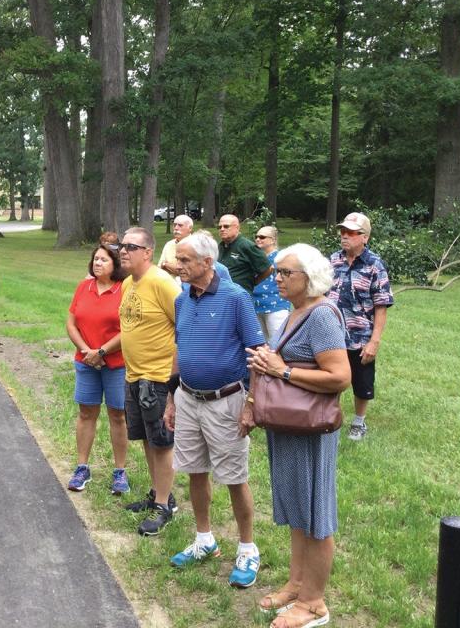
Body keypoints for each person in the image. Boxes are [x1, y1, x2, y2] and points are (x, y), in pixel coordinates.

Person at [244, 243, 350, 628]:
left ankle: (313, 603)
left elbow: (339, 377)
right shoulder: (295, 313)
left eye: (286, 273)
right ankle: (296, 584)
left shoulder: (321, 316)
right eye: (277, 272)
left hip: (311, 431)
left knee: (316, 515)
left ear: (311, 277)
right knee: (297, 511)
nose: (278, 279)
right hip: (290, 427)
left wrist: (282, 370)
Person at [164, 230, 265, 588]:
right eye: (178, 259)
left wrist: (251, 404)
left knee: (235, 478)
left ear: (208, 263)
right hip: (188, 398)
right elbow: (180, 349)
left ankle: (248, 548)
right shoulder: (182, 300)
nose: (179, 266)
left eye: (185, 260)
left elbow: (258, 354)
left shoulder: (236, 298)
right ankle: (204, 540)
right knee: (194, 470)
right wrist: (171, 397)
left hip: (227, 401)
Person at [115, 226, 182, 534]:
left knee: (162, 442)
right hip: (134, 375)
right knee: (145, 438)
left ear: (147, 252)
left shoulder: (162, 283)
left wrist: (173, 379)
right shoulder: (129, 282)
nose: (123, 251)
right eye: (121, 246)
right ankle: (158, 493)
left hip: (156, 377)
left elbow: (184, 327)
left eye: (130, 246)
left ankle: (164, 505)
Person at [65, 243, 128, 494]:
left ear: (116, 264)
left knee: (118, 416)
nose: (97, 263)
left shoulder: (125, 289)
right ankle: (82, 467)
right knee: (86, 414)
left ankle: (120, 472)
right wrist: (87, 352)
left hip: (116, 364)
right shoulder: (84, 287)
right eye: (95, 259)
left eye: (103, 260)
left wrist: (101, 351)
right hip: (86, 363)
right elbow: (71, 324)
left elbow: (129, 329)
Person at [327, 212, 393, 441]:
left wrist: (374, 341)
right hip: (332, 333)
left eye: (351, 233)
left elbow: (381, 306)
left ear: (364, 237)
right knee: (330, 376)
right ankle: (331, 416)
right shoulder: (333, 259)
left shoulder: (375, 265)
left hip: (360, 334)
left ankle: (358, 422)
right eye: (342, 232)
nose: (345, 237)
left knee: (361, 381)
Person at [217, 214, 272, 294]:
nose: (222, 229)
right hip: (222, 295)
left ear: (237, 228)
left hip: (241, 296)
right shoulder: (220, 246)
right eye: (219, 227)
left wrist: (253, 282)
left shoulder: (247, 246)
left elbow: (268, 269)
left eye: (226, 226)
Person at [253, 225, 291, 338]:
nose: (258, 239)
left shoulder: (281, 258)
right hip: (256, 305)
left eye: (262, 237)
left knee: (277, 342)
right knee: (260, 343)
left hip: (276, 306)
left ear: (273, 240)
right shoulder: (255, 257)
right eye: (256, 236)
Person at [158, 214, 193, 280]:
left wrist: (166, 264)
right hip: (168, 285)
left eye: (180, 225)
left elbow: (188, 271)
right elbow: (160, 269)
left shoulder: (196, 244)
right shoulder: (169, 244)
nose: (176, 228)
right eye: (174, 225)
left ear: (190, 228)